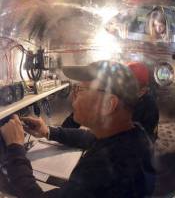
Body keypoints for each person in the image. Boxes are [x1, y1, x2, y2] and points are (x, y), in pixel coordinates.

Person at [0, 60, 154, 198]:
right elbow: (89, 138)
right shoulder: (132, 135)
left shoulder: (104, 171)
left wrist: (15, 148)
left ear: (108, 104)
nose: (73, 97)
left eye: (79, 90)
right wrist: (48, 131)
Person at [62, 61, 159, 142]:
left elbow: (126, 142)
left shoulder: (149, 108)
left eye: (80, 89)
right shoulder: (114, 101)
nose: (74, 97)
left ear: (143, 90)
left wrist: (53, 133)